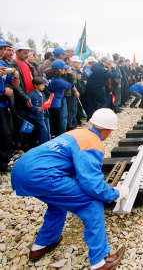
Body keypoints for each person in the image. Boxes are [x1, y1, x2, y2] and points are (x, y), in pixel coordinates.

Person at [11, 108, 127, 270]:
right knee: (91, 202)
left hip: (21, 169)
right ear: (108, 131)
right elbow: (91, 185)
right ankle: (100, 261)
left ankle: (43, 243)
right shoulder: (92, 143)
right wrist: (116, 193)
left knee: (58, 202)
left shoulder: (76, 133)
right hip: (42, 175)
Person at [0, 37, 20, 171]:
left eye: (3, 48)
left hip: (2, 105)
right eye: (0, 49)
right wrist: (3, 91)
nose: (2, 51)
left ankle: (3, 164)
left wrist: (16, 76)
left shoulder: (2, 64)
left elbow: (14, 84)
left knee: (6, 134)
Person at [45, 60, 72, 137]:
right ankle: (57, 137)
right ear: (60, 69)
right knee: (57, 123)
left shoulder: (48, 74)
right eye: (64, 69)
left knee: (52, 122)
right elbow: (69, 86)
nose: (65, 70)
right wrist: (69, 74)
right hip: (55, 102)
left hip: (50, 101)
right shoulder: (57, 80)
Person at [27, 77, 52, 145]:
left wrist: (49, 99)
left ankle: (48, 142)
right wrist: (36, 108)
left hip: (45, 113)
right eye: (41, 85)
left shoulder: (42, 94)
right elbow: (30, 106)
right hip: (38, 115)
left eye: (43, 85)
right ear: (35, 85)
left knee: (47, 129)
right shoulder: (31, 94)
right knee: (43, 130)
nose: (43, 87)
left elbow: (45, 103)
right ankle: (43, 144)